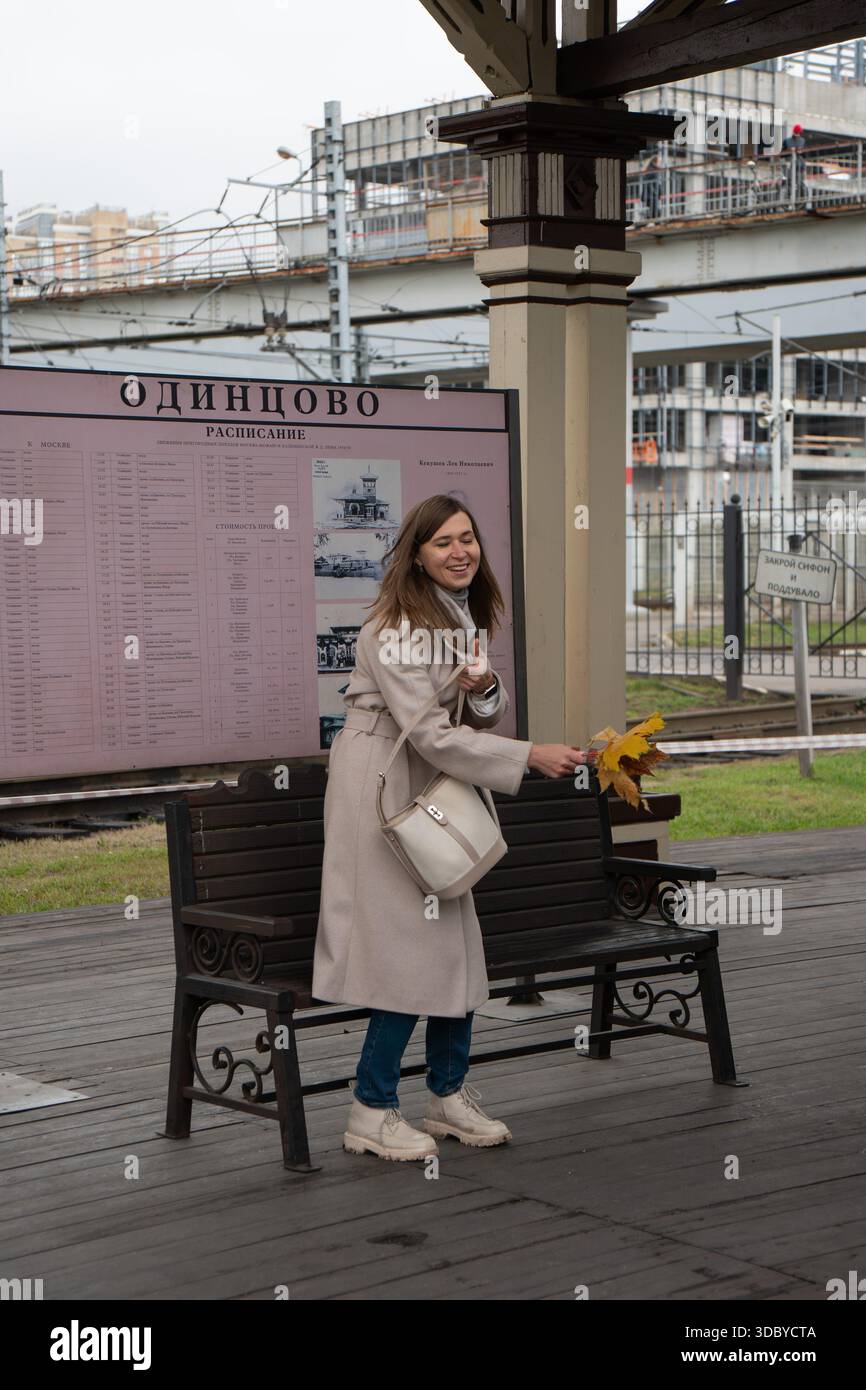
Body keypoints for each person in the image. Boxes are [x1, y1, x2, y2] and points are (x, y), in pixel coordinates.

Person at [312, 494, 590, 1162]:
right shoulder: (395, 627)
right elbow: (434, 735)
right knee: (403, 948)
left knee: (455, 945)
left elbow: (475, 714)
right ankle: (371, 1108)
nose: (461, 551)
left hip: (425, 782)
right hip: (383, 786)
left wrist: (486, 681)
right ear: (417, 553)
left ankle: (445, 1095)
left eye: (468, 538)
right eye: (443, 542)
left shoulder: (456, 613)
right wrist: (528, 756)